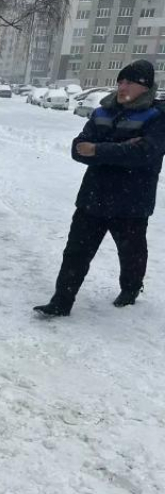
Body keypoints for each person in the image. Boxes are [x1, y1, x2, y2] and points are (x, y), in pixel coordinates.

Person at [33, 60, 165, 317]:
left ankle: (130, 289)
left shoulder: (157, 117)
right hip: (93, 196)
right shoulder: (103, 111)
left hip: (132, 202)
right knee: (75, 251)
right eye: (121, 81)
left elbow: (145, 153)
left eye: (129, 82)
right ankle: (61, 301)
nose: (122, 86)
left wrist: (99, 149)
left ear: (145, 87)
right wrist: (118, 148)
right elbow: (78, 147)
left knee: (131, 253)